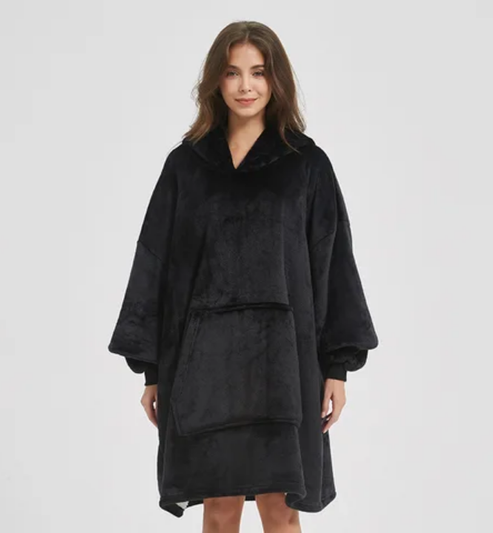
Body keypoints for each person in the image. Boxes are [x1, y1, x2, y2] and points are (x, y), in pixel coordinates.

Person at [108, 20, 379, 531]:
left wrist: (337, 368)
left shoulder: (307, 165)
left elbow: (333, 265)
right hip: (203, 368)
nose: (246, 85)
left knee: (281, 511)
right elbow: (156, 267)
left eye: (258, 72)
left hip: (284, 366)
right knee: (219, 510)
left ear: (277, 80)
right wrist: (153, 373)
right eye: (233, 72)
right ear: (216, 79)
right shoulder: (186, 166)